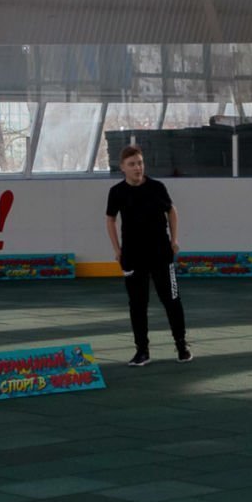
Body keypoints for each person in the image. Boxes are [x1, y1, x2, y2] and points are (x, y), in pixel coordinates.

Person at [105, 145, 190, 366]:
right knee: (137, 304)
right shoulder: (117, 192)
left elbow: (171, 211)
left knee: (171, 300)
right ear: (123, 167)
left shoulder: (157, 187)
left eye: (140, 163)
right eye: (132, 164)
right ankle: (142, 351)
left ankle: (181, 345)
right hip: (133, 256)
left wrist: (174, 240)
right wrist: (117, 250)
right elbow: (110, 219)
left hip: (161, 253)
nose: (137, 168)